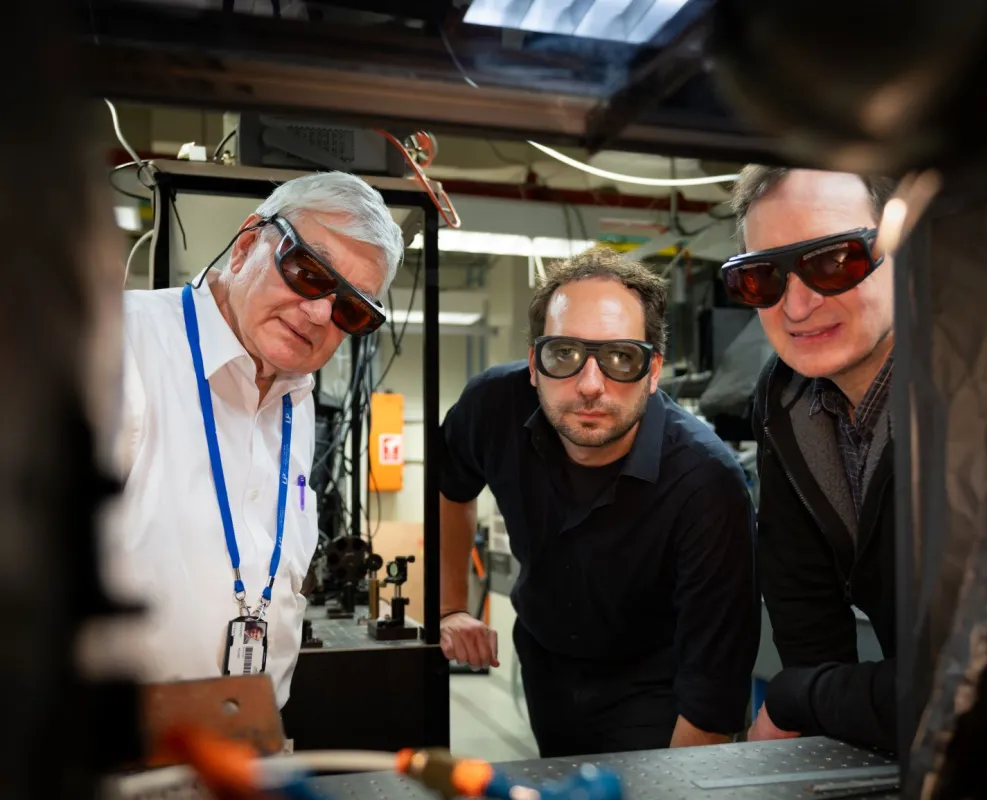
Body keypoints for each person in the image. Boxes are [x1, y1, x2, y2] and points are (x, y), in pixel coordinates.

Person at [438, 247, 759, 757]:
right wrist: (451, 604)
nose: (590, 385)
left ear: (653, 372)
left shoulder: (706, 483)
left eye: (620, 357)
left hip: (655, 682)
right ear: (534, 365)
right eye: (563, 354)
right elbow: (449, 484)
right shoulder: (493, 406)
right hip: (546, 662)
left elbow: (712, 693)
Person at [104, 171, 401, 706]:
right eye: (308, 272)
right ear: (245, 247)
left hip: (242, 752)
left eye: (351, 309)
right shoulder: (119, 347)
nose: (318, 314)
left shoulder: (295, 397)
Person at [723, 166, 899, 752]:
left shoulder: (984, 396)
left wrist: (802, 697)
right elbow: (805, 619)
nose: (796, 306)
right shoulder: (785, 401)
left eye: (833, 262)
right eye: (761, 278)